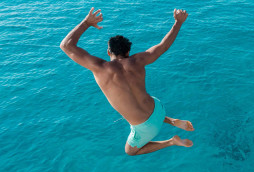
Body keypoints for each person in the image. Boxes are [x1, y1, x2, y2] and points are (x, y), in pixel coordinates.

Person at [60, 8, 194, 156]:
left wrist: (86, 23)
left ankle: (171, 141)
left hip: (147, 128)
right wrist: (178, 23)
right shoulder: (138, 60)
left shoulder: (100, 68)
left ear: (108, 52)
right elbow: (163, 46)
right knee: (137, 105)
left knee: (130, 151)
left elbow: (66, 45)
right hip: (158, 107)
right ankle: (173, 121)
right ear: (128, 52)